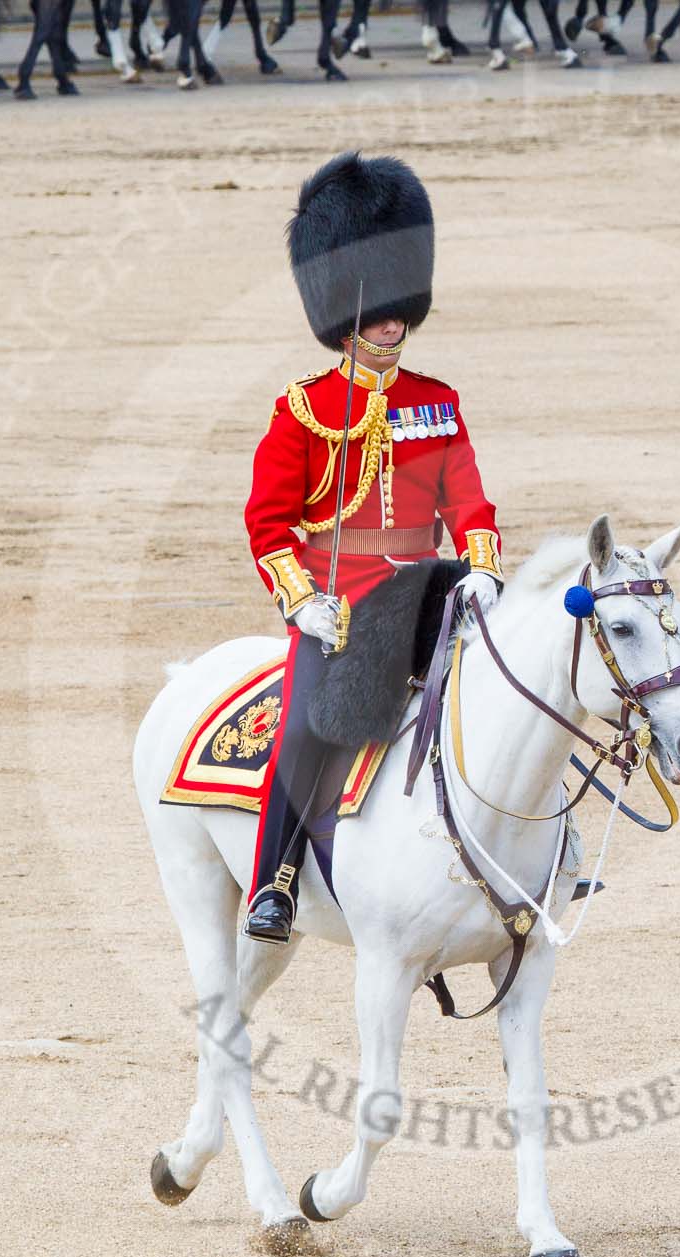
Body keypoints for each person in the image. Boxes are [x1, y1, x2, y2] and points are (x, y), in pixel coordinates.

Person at [240, 151, 504, 945]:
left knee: (524, 698)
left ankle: (537, 853)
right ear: (341, 310)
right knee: (304, 730)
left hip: (431, 597)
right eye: (377, 309)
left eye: (400, 308)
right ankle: (275, 883)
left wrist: (484, 572)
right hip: (342, 612)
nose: (392, 323)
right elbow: (269, 522)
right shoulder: (304, 410)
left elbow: (471, 502)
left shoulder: (436, 403)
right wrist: (301, 601)